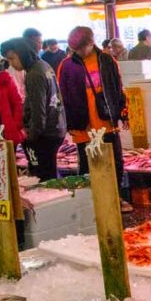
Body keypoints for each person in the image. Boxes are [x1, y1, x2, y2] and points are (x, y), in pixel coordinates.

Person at [58, 26, 132, 212]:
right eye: (76, 50)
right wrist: (69, 123)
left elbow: (118, 87)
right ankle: (89, 201)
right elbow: (63, 96)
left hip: (106, 121)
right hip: (82, 125)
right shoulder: (66, 66)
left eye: (83, 48)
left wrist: (123, 113)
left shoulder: (107, 60)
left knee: (115, 161)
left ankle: (116, 197)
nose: (80, 53)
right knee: (86, 163)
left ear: (91, 43)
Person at [0, 37, 66, 181]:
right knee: (50, 176)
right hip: (55, 128)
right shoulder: (43, 65)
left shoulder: (34, 74)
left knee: (42, 180)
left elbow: (38, 110)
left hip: (44, 135)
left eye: (12, 58)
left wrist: (30, 137)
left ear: (22, 53)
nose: (11, 64)